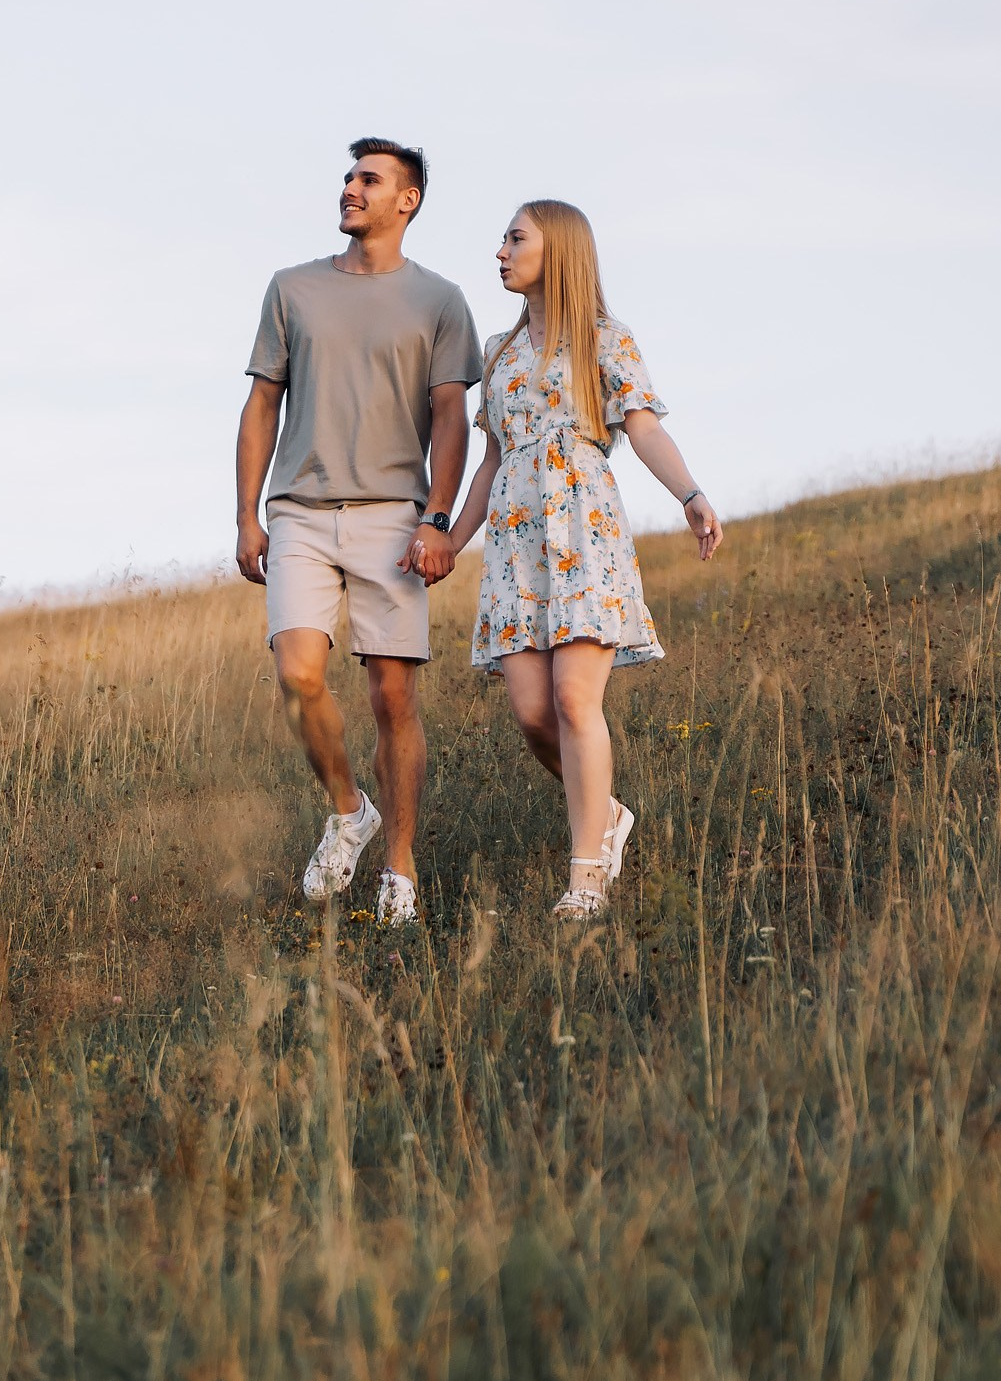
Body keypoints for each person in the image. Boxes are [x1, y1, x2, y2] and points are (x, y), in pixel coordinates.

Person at [439, 198, 724, 918]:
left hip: (583, 530)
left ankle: (586, 878)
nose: (500, 252)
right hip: (514, 544)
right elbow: (489, 461)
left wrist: (689, 492)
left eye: (514, 239)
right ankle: (609, 817)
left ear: (557, 250)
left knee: (574, 699)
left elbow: (644, 428)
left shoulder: (605, 338)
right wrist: (449, 537)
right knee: (535, 715)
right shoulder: (497, 355)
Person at [236, 139, 482, 924]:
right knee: (299, 676)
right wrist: (247, 512)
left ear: (405, 200)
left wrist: (439, 519)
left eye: (368, 179)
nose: (350, 188)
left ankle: (399, 872)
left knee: (392, 697)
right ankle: (350, 810)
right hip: (300, 512)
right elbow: (261, 406)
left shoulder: (440, 301)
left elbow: (452, 417)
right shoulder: (291, 288)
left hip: (393, 518)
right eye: (348, 177)